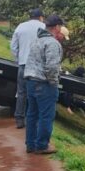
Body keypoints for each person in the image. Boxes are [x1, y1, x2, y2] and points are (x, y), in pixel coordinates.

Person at [24, 14, 65, 154]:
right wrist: (54, 83)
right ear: (57, 27)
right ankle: (42, 146)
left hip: (30, 81)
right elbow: (52, 67)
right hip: (44, 84)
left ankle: (30, 145)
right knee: (46, 116)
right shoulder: (52, 43)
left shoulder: (36, 40)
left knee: (31, 115)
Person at [10, 8, 45, 129]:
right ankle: (34, 120)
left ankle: (19, 119)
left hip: (23, 65)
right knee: (37, 93)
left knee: (21, 93)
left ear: (30, 17)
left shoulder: (21, 26)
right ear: (41, 17)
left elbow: (13, 46)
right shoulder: (44, 27)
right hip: (38, 66)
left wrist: (19, 59)